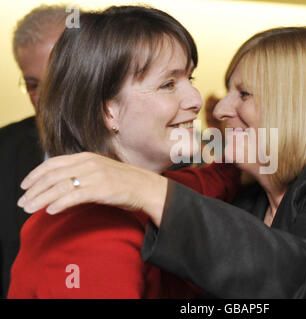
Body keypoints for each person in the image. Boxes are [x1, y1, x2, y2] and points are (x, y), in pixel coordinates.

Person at [18, 26, 306, 298]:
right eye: (169, 83)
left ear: (294, 105)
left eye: (244, 94)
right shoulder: (244, 192)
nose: (218, 107)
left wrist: (141, 187)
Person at [8, 6, 241, 298]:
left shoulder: (156, 188)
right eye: (168, 84)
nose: (195, 99)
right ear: (110, 111)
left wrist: (243, 150)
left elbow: (215, 181)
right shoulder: (90, 234)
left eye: (189, 79)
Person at [0, 4, 68, 298]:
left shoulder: (143, 152)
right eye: (32, 85)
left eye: (58, 80)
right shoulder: (5, 148)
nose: (46, 98)